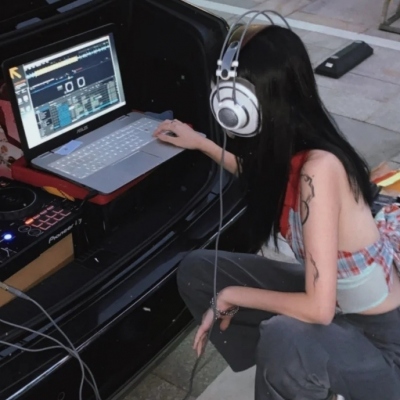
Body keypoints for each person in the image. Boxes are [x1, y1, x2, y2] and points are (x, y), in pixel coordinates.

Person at [153, 23, 400, 400]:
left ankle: (300, 369)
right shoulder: (292, 148)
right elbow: (262, 176)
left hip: (384, 348)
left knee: (285, 336)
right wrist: (201, 143)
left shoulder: (320, 169)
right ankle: (301, 376)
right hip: (339, 307)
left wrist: (232, 295)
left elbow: (317, 310)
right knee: (200, 270)